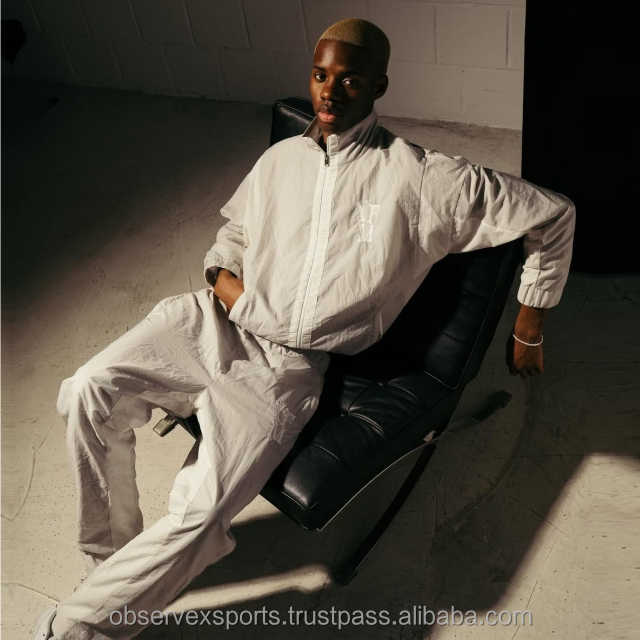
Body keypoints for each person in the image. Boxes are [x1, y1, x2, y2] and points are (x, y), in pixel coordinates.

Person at [33, 17, 575, 640]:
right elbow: (235, 232)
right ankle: (112, 568)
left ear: (379, 86)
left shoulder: (423, 177)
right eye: (320, 76)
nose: (329, 92)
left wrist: (529, 321)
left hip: (284, 371)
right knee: (87, 391)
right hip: (209, 323)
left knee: (202, 514)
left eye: (349, 80)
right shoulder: (281, 159)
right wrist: (221, 277)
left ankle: (76, 628)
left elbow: (554, 214)